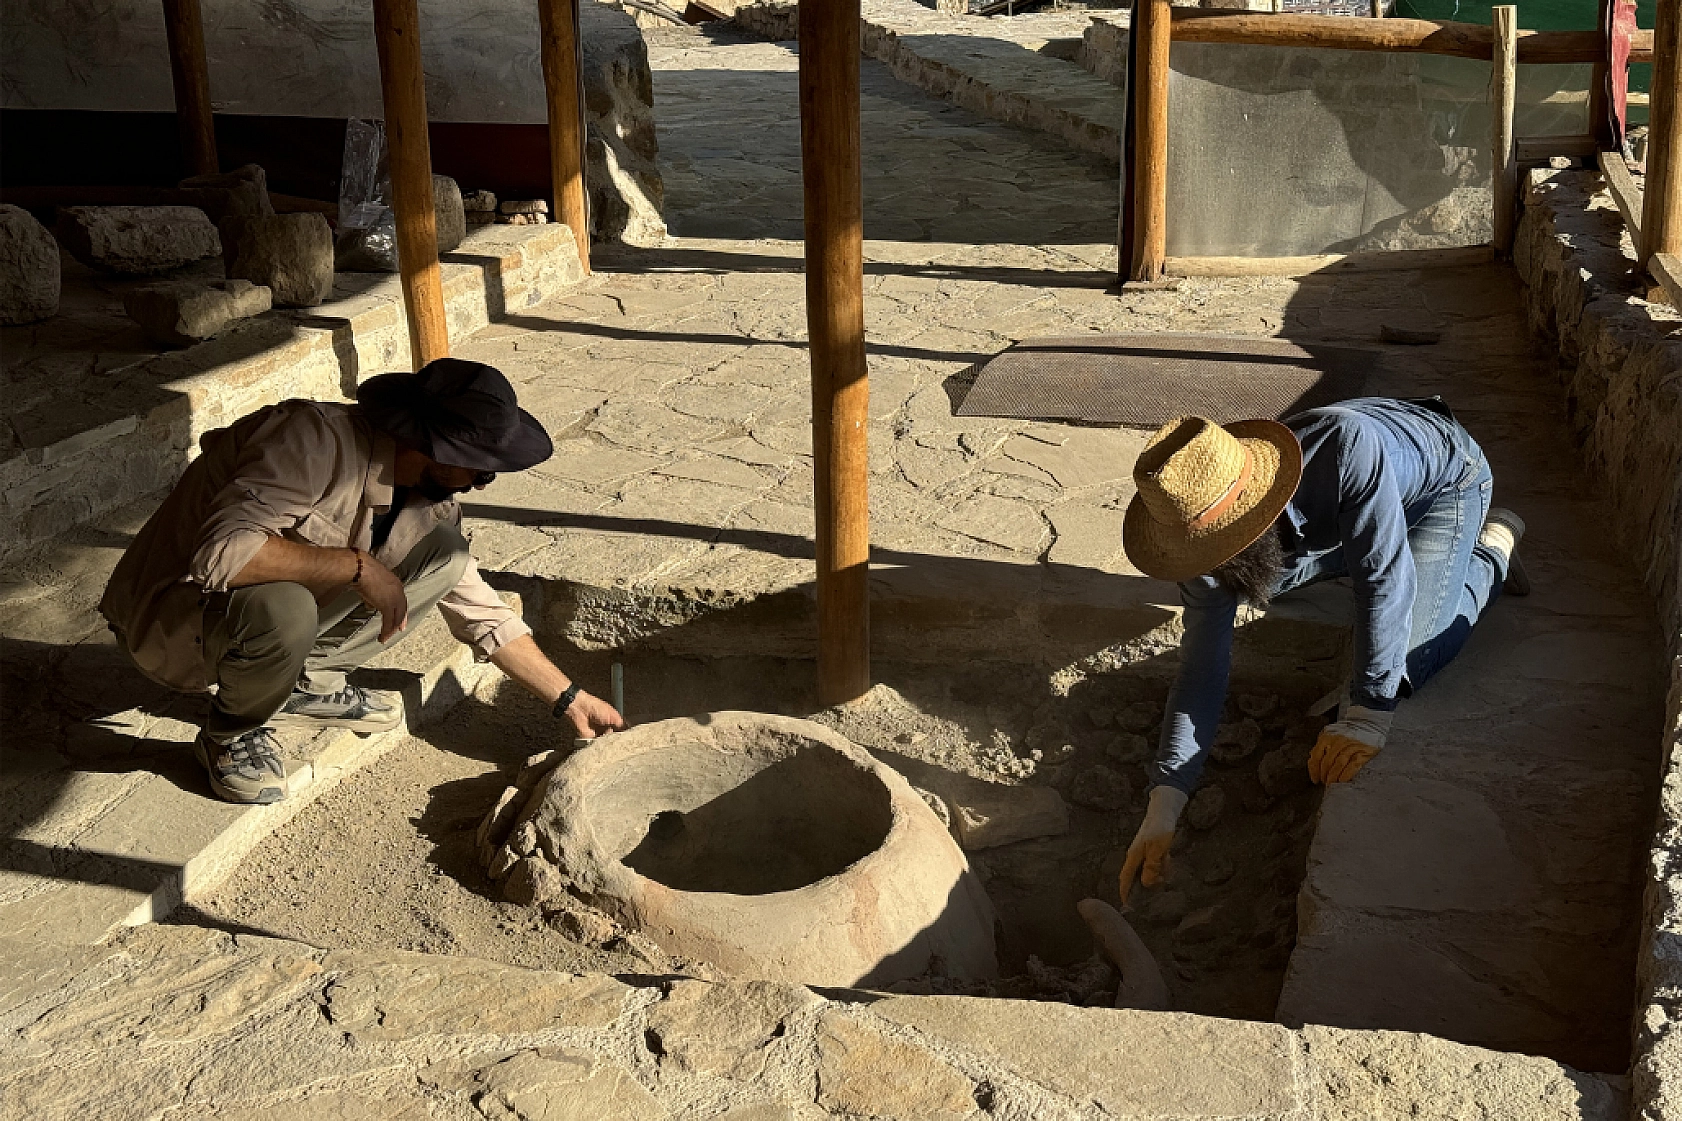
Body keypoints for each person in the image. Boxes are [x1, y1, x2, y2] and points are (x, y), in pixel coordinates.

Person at [100, 358, 625, 805]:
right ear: (430, 447)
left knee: (445, 554)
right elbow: (221, 555)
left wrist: (569, 697)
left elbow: (480, 611)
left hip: (239, 621)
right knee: (285, 606)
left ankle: (306, 684)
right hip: (172, 622)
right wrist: (357, 566)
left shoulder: (428, 495)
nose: (481, 481)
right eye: (478, 469)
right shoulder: (310, 441)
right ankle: (229, 734)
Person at [1115, 397, 1527, 902]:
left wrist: (1369, 711)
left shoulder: (1347, 448)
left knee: (1408, 658)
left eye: (1228, 545)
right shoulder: (1197, 537)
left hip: (1443, 484)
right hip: (1353, 509)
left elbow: (1382, 582)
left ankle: (1490, 549)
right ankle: (1387, 548)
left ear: (1257, 509)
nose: (1211, 564)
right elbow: (1202, 667)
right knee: (1249, 583)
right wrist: (1166, 800)